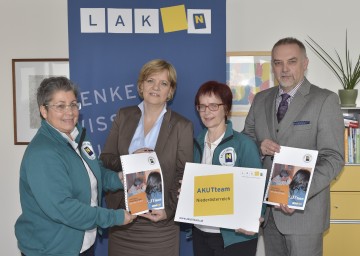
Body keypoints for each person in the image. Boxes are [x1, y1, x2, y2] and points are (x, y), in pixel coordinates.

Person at [243, 37, 345, 256]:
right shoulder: (260, 99)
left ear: (305, 63)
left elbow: (333, 158)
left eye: (291, 61)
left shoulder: (324, 100)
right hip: (268, 215)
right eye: (278, 63)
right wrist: (259, 147)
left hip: (304, 214)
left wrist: (298, 192)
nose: (284, 69)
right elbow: (245, 142)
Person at [14, 76, 136, 256]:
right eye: (60, 106)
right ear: (44, 111)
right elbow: (64, 208)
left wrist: (122, 178)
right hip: (53, 249)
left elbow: (94, 172)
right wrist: (114, 217)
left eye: (73, 104)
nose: (69, 112)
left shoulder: (78, 136)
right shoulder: (43, 153)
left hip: (83, 243)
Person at [99, 59, 194, 256]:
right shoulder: (123, 116)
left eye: (164, 83)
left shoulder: (182, 126)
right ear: (141, 85)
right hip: (123, 220)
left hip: (160, 226)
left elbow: (183, 174)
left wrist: (169, 211)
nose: (156, 87)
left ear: (171, 91)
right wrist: (132, 159)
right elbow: (107, 158)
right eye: (151, 80)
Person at [193, 81, 263, 256]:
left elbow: (257, 188)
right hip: (200, 232)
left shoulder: (244, 144)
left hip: (234, 236)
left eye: (214, 106)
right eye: (202, 106)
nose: (207, 112)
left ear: (227, 109)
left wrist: (254, 220)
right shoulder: (195, 144)